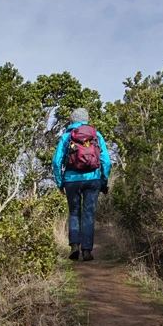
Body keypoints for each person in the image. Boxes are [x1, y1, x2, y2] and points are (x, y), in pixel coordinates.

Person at [52, 108, 111, 261]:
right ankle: (87, 251)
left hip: (71, 180)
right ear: (86, 119)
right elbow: (106, 162)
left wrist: (60, 182)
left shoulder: (67, 137)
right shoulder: (96, 135)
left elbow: (56, 162)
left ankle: (74, 247)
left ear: (72, 120)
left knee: (74, 213)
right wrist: (103, 181)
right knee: (89, 215)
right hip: (93, 179)